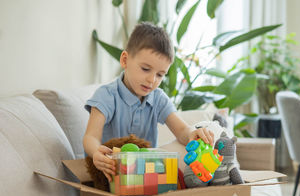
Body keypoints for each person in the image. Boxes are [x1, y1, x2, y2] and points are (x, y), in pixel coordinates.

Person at [83, 22, 214, 181]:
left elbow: (181, 131)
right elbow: (91, 137)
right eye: (145, 69)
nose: (152, 80)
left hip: (144, 175)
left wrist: (193, 134)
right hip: (110, 174)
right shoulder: (107, 95)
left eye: (160, 75)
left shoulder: (158, 98)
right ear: (125, 60)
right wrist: (97, 152)